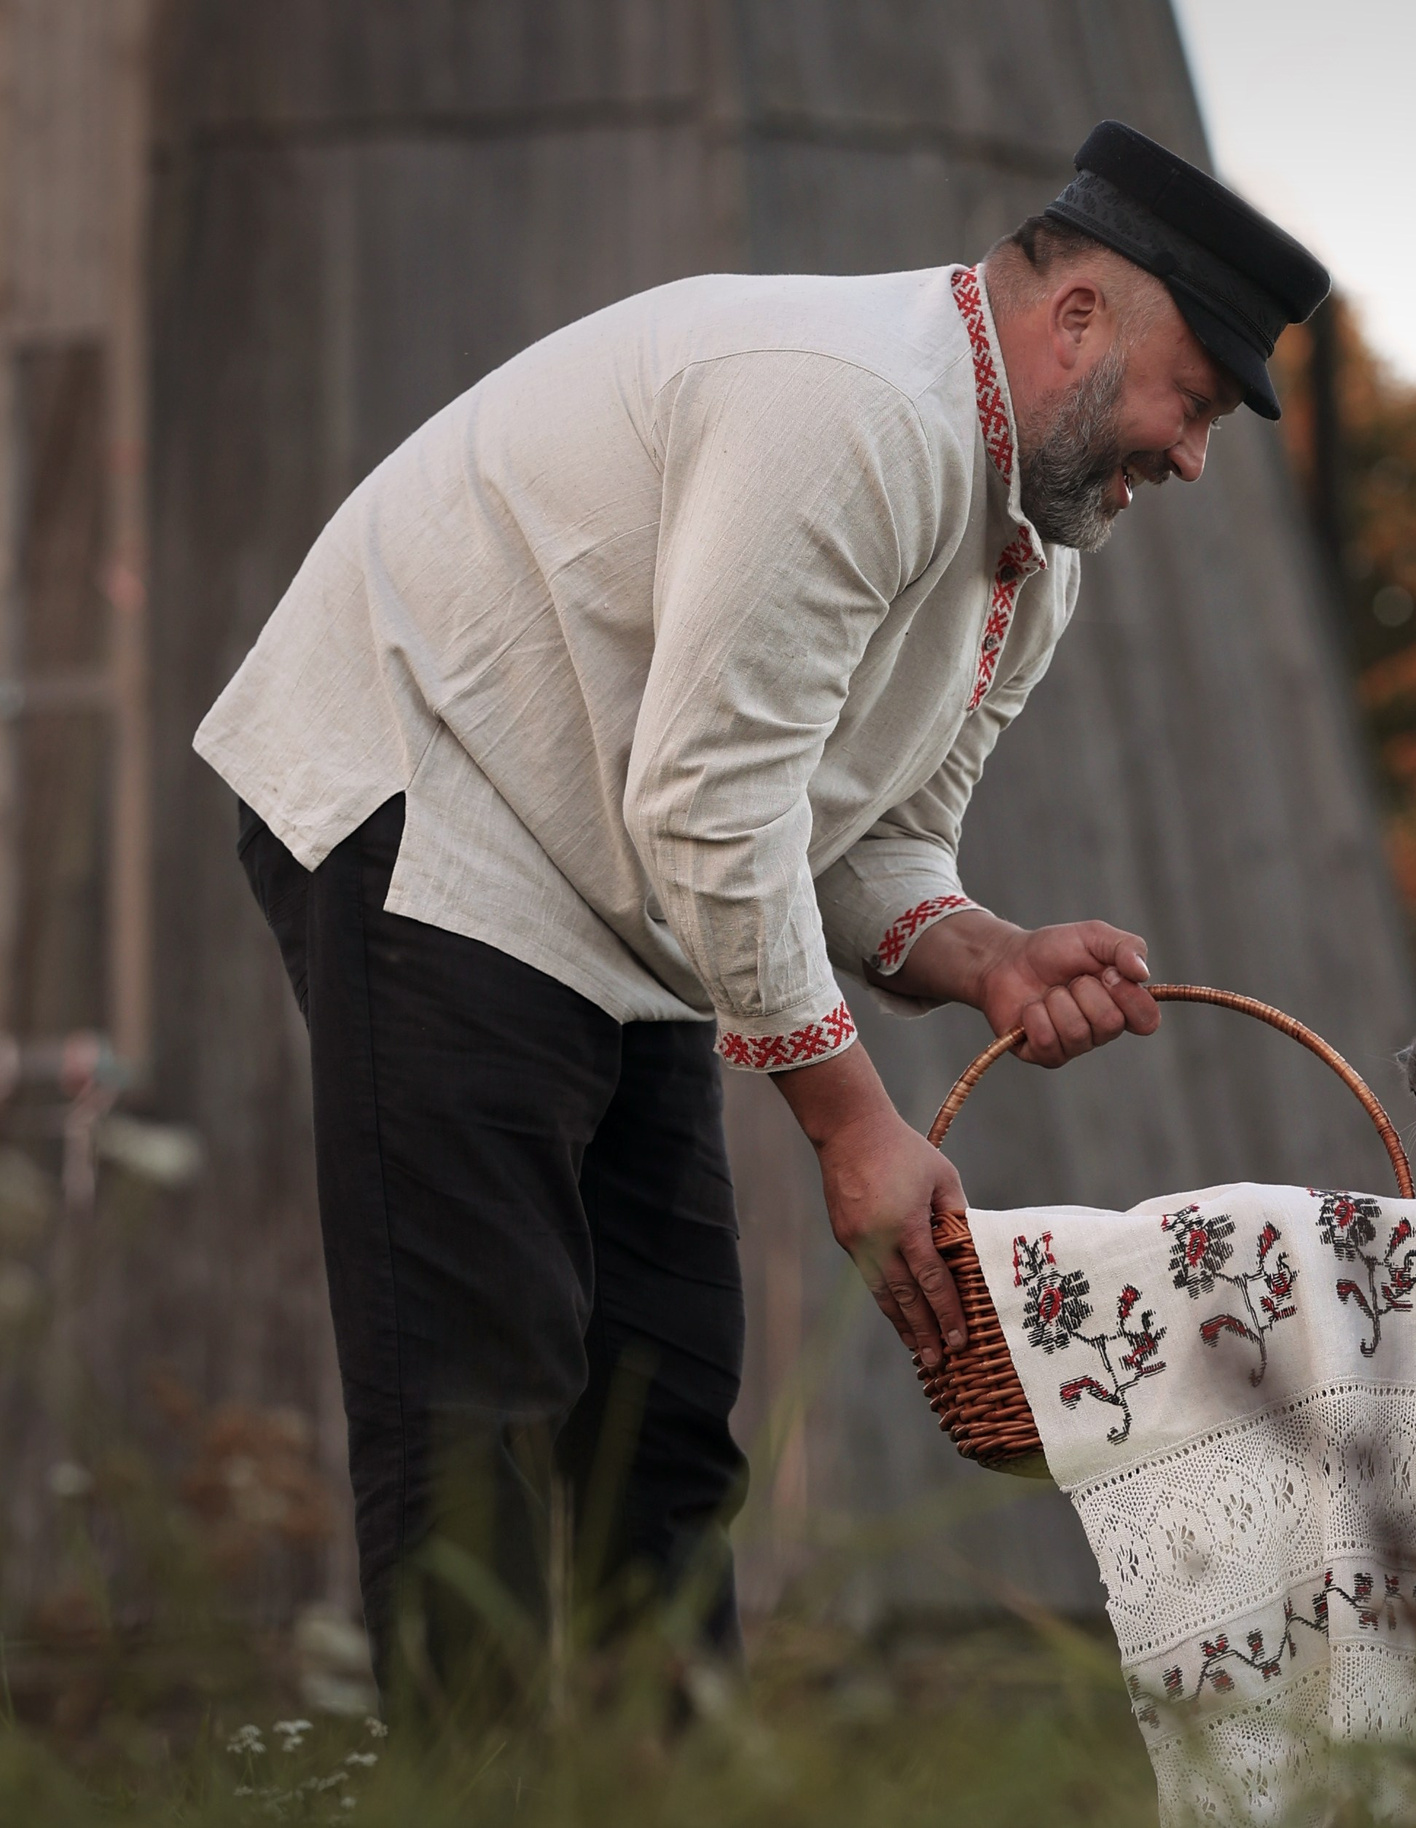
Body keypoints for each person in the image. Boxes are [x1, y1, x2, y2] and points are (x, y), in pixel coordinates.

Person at [194, 122, 1329, 1707]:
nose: (1194, 458)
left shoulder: (1033, 559)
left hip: (625, 886)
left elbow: (863, 843)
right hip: (431, 805)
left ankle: (663, 1796)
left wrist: (989, 956)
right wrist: (855, 1127)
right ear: (1080, 319)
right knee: (483, 1410)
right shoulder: (854, 410)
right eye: (1190, 399)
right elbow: (711, 807)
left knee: (663, 1420)